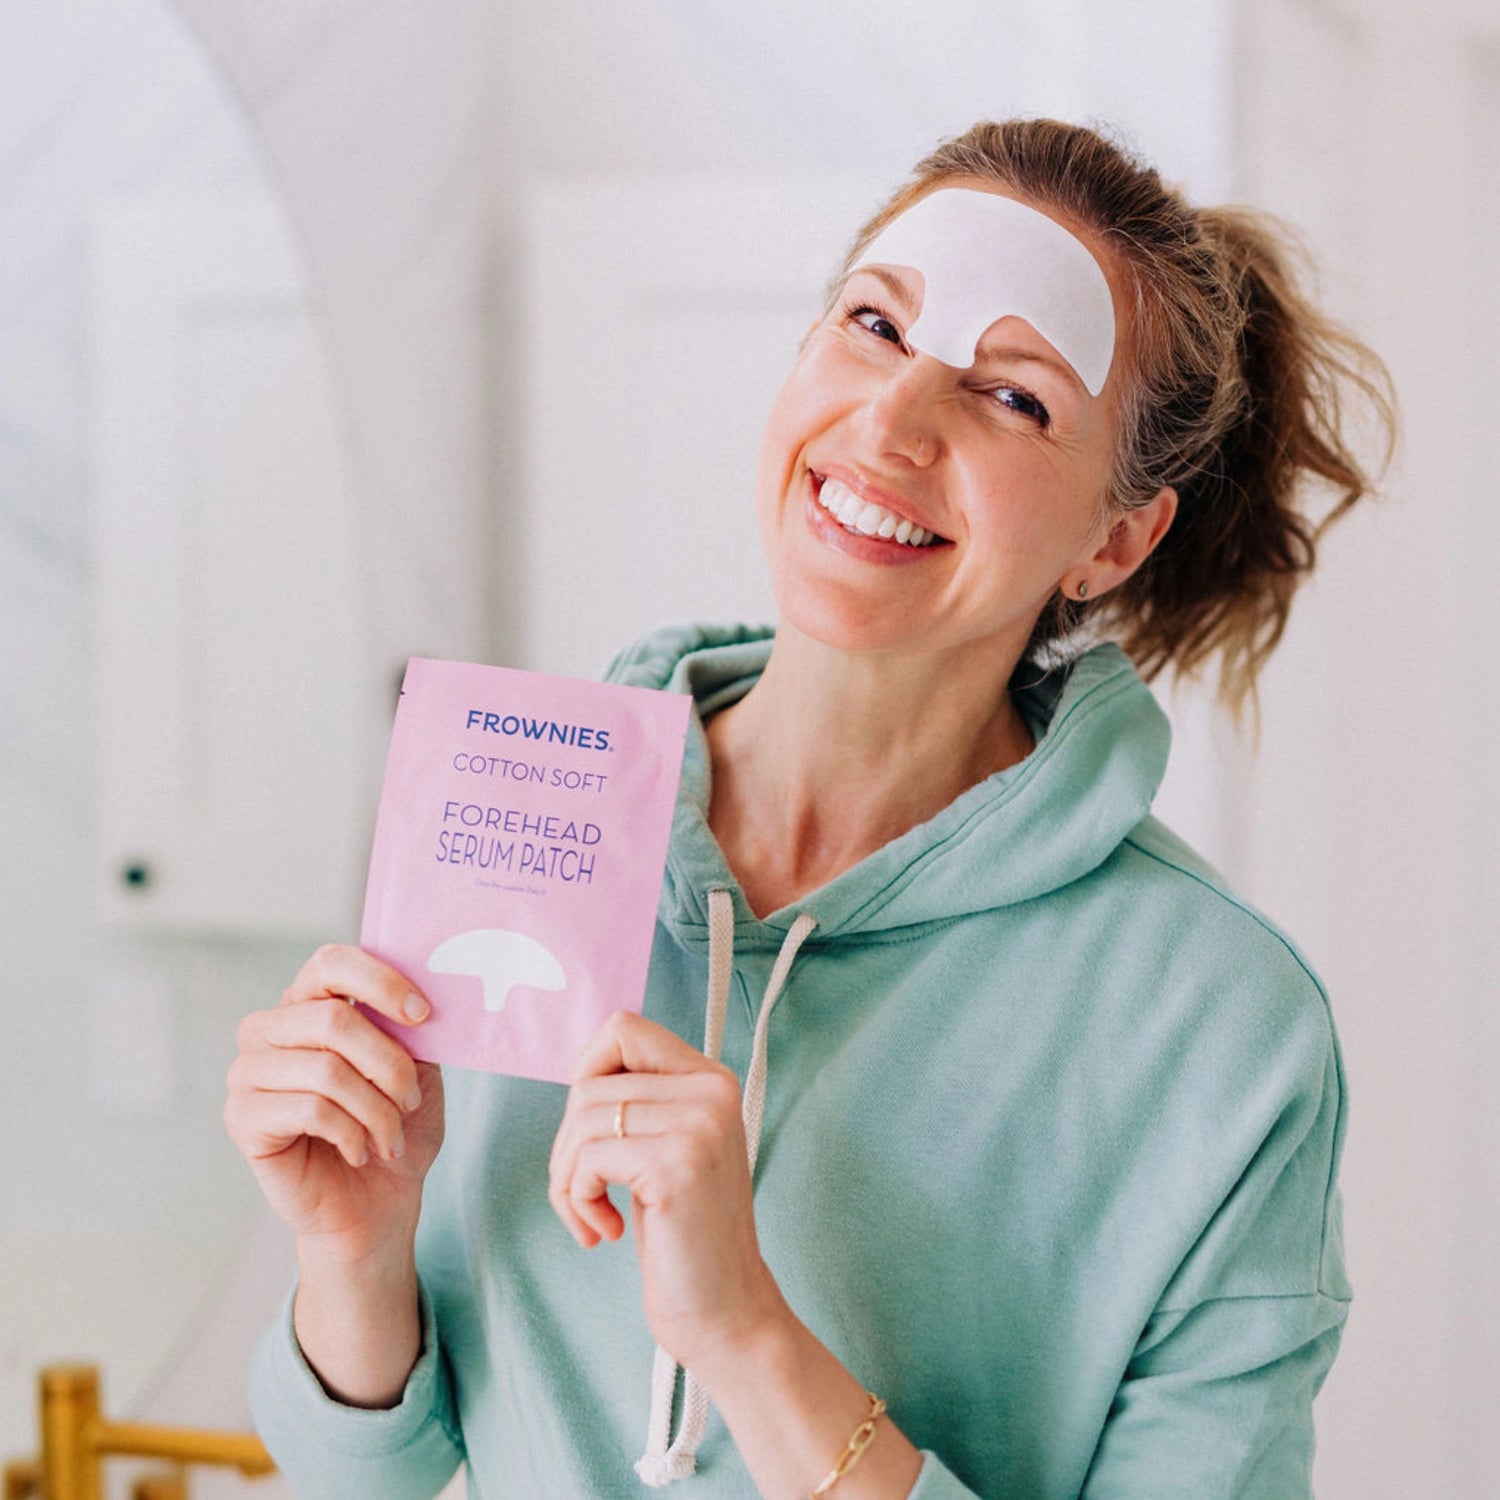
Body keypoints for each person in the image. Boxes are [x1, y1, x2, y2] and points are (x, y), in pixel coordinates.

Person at [226, 118, 1394, 1499]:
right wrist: (352, 1252)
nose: (892, 423)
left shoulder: (1223, 1032)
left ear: (1114, 539)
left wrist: (747, 1336)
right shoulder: (523, 840)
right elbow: (364, 1477)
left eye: (1013, 397)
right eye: (873, 326)